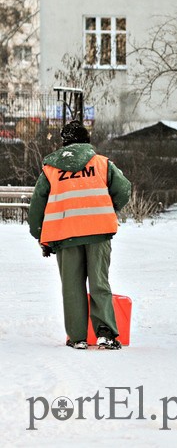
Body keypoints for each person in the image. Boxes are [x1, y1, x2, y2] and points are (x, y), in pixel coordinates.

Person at [28, 120, 131, 350]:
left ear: (64, 142)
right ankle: (105, 334)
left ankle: (77, 338)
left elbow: (37, 206)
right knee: (99, 282)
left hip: (65, 236)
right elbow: (124, 190)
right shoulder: (102, 164)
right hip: (98, 232)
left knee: (72, 287)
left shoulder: (51, 169)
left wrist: (40, 236)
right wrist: (108, 206)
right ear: (86, 140)